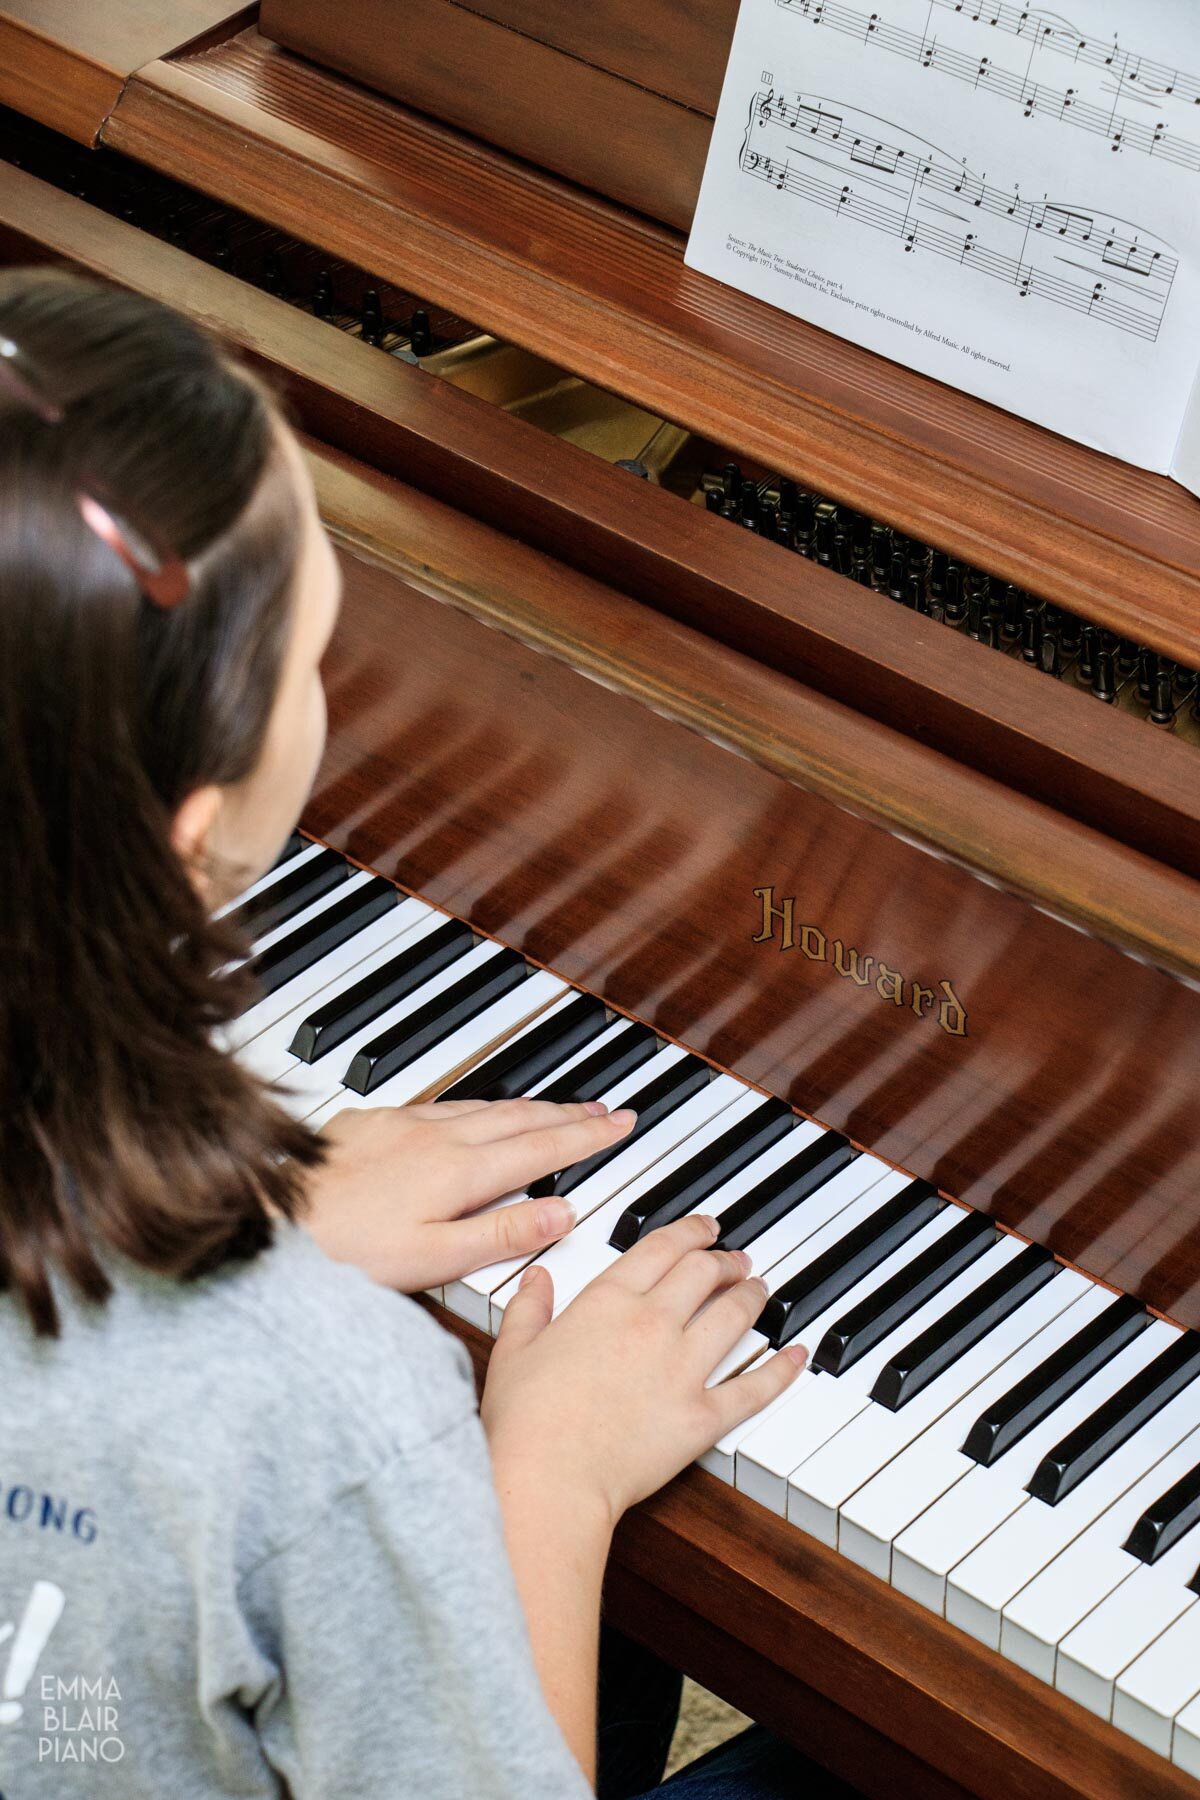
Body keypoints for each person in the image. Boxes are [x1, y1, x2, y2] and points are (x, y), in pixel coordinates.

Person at [0, 267, 845, 1799]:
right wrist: (549, 1474)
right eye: (318, 654)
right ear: (192, 831)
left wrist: (239, 1230)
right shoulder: (324, 1406)